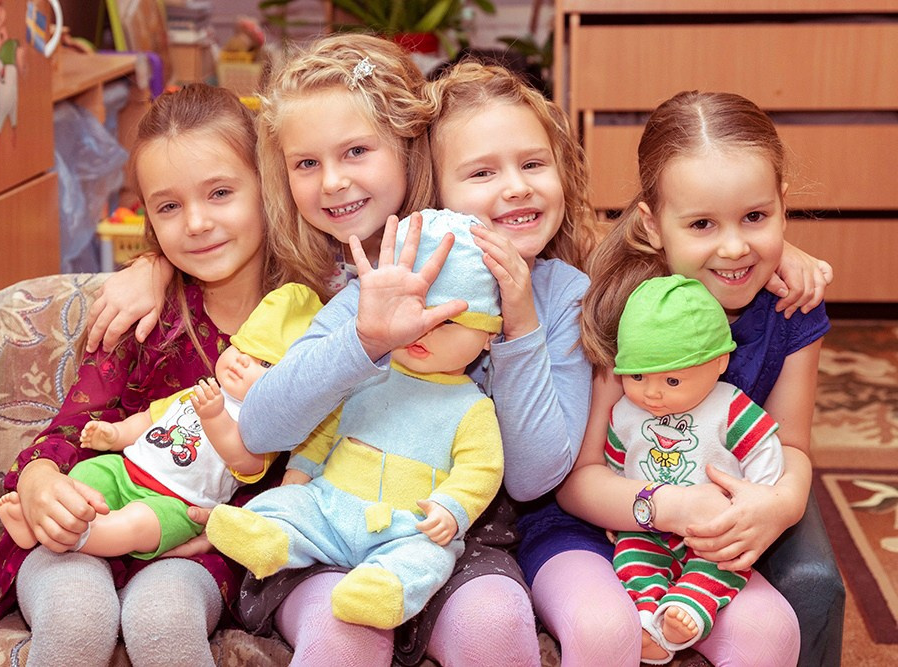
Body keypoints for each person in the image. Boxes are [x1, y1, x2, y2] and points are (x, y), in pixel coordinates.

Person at [86, 58, 832, 665]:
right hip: (326, 528)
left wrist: (518, 329)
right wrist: (365, 337)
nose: (512, 187)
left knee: (492, 619)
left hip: (466, 537)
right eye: (481, 172)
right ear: (432, 187)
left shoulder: (576, 295)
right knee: (346, 629)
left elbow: (540, 471)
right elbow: (262, 429)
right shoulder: (376, 276)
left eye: (531, 163)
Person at [0, 83, 282, 667]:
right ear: (147, 215)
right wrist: (40, 481)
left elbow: (316, 467)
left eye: (221, 192)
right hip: (84, 528)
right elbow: (72, 428)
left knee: (163, 621)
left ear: (267, 187)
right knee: (77, 618)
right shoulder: (142, 315)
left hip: (194, 551)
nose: (197, 223)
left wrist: (230, 529)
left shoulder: (309, 327)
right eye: (169, 206)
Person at [517, 90, 832, 666]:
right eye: (702, 223)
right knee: (603, 627)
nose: (734, 245)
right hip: (590, 529)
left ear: (782, 208)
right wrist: (672, 508)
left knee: (771, 632)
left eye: (756, 217)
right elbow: (577, 480)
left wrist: (781, 504)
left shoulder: (792, 309)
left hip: (703, 548)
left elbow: (790, 445)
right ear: (653, 224)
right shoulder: (624, 304)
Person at [208, 209, 504, 631]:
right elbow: (326, 427)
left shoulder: (472, 407)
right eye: (410, 310)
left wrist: (452, 509)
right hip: (331, 503)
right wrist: (299, 472)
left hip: (409, 526)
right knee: (289, 507)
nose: (422, 330)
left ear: (489, 335)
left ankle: (383, 587)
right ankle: (268, 535)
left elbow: (482, 468)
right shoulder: (367, 370)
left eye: (448, 320)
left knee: (428, 556)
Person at [0, 283, 321, 560]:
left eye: (263, 362)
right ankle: (42, 522)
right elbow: (151, 417)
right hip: (126, 471)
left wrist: (214, 417)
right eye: (240, 348)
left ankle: (78, 538)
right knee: (87, 475)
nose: (242, 362)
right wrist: (114, 435)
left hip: (177, 503)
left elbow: (246, 462)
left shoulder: (264, 422)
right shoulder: (201, 389)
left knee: (139, 523)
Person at [607, 275, 786, 664]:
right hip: (649, 527)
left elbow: (765, 452)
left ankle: (689, 608)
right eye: (637, 376)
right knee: (630, 557)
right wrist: (617, 509)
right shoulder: (624, 412)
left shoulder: (729, 408)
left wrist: (759, 501)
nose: (652, 393)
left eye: (672, 380)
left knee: (724, 565)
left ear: (720, 362)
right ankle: (646, 614)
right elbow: (615, 464)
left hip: (715, 530)